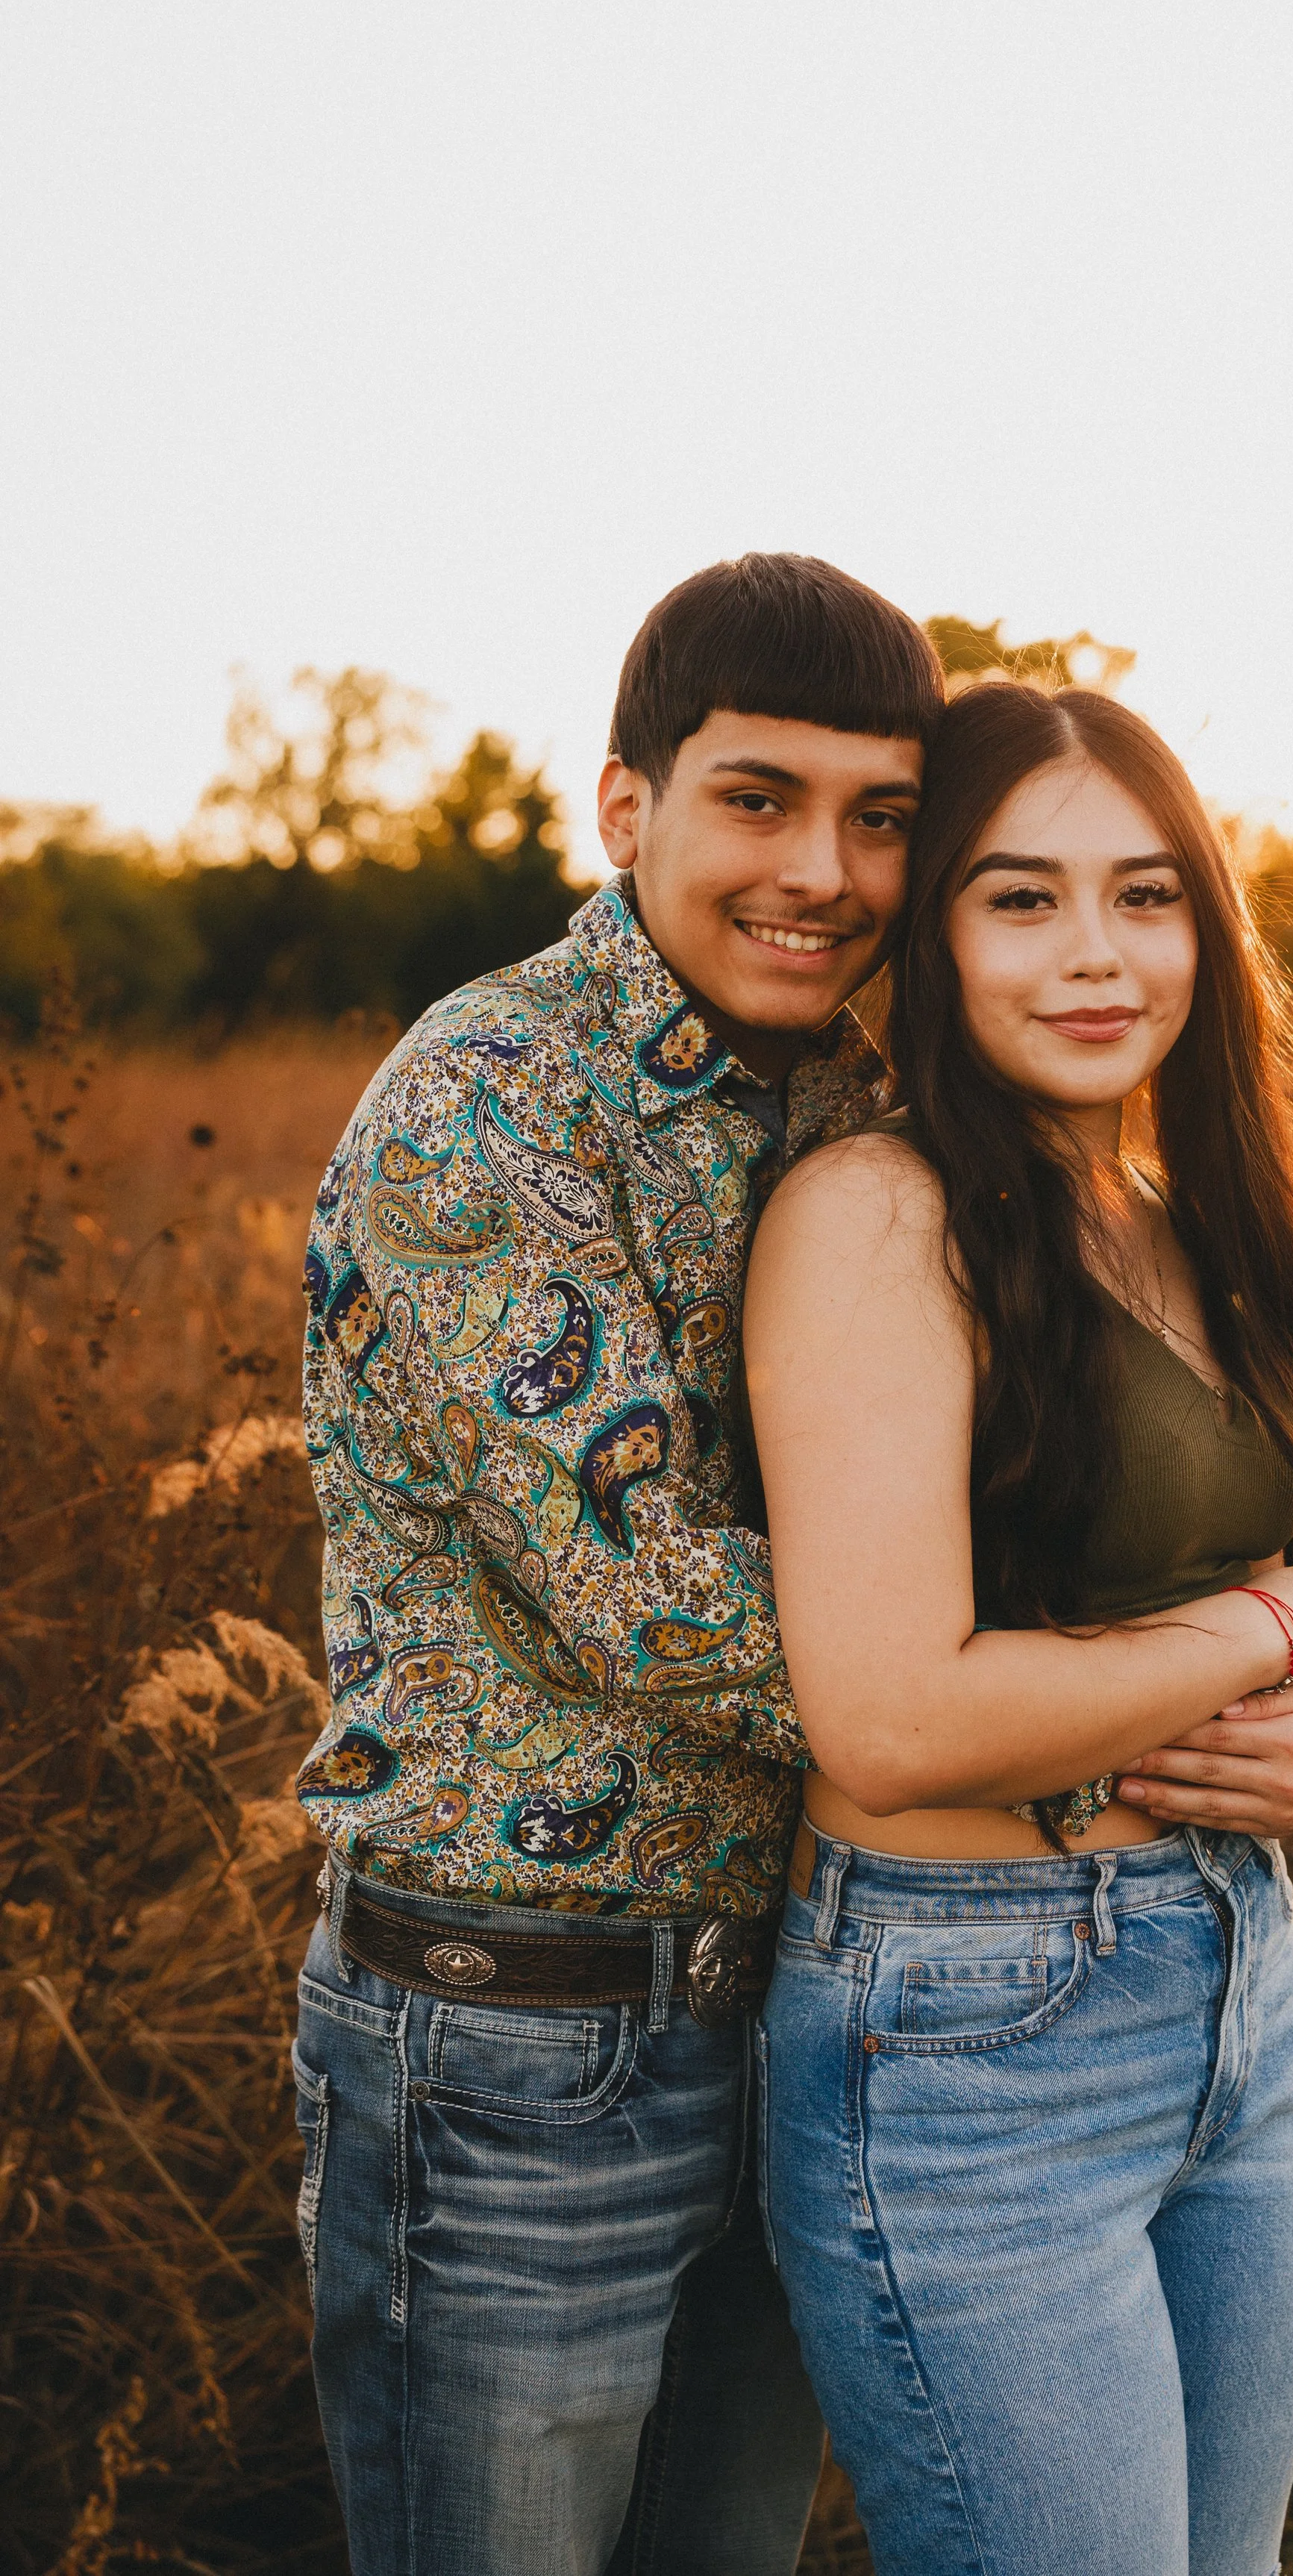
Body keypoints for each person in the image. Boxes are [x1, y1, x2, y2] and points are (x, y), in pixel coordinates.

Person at [289, 553, 946, 2576]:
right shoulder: (479, 1109)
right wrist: (1088, 1728)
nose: (821, 868)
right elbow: (651, 1592)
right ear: (626, 806)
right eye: (759, 797)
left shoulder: (852, 1098)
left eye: (881, 816)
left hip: (796, 2007)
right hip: (516, 2052)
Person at [746, 681, 1293, 2576]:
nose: (1098, 956)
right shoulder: (878, 1220)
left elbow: (1252, 1614)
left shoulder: (1186, 1214)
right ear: (932, 931)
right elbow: (884, 1720)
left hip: (1234, 1986)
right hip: (968, 2044)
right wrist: (1272, 1637)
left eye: (1145, 894)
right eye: (1019, 900)